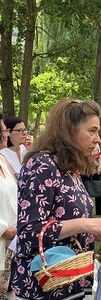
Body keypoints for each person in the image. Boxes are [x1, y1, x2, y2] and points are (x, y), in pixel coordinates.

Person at [10, 99, 101, 300]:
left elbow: (67, 224)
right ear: (69, 131)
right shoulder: (42, 166)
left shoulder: (68, 168)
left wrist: (96, 232)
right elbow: (29, 233)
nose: (97, 139)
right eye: (92, 131)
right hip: (42, 289)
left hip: (69, 285)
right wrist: (84, 224)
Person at [0, 114, 18, 300]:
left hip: (11, 243)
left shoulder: (3, 161)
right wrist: (3, 228)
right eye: (4, 130)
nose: (6, 134)